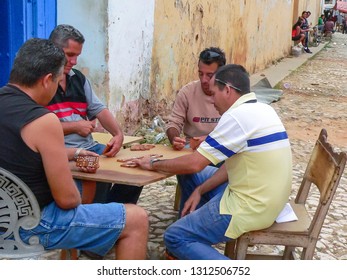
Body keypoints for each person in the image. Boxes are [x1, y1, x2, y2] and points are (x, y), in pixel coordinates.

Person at [0, 38, 148, 259]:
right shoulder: (43, 121)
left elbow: (20, 152)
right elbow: (67, 200)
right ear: (47, 80)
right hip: (29, 225)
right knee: (136, 218)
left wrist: (73, 153)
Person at [133, 64, 292, 259]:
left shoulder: (236, 117)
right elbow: (231, 166)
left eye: (214, 93)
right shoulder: (263, 109)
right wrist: (200, 190)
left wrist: (153, 163)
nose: (212, 99)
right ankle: (195, 226)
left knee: (175, 236)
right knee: (192, 177)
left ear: (227, 90)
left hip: (250, 208)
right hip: (271, 202)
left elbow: (194, 163)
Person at [47, 24, 142, 204]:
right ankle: (103, 215)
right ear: (54, 51)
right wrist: (75, 127)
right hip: (65, 152)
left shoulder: (78, 79)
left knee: (136, 170)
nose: (74, 62)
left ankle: (115, 211)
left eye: (77, 56)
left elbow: (99, 109)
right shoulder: (43, 84)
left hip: (90, 146)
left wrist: (118, 134)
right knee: (93, 176)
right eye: (70, 55)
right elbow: (38, 129)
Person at [165, 47, 228, 216]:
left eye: (210, 75)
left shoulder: (228, 94)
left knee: (232, 166)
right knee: (187, 167)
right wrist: (174, 137)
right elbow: (173, 123)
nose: (204, 80)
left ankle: (211, 211)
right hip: (194, 151)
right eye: (201, 74)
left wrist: (209, 140)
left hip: (222, 153)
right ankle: (190, 215)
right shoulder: (187, 92)